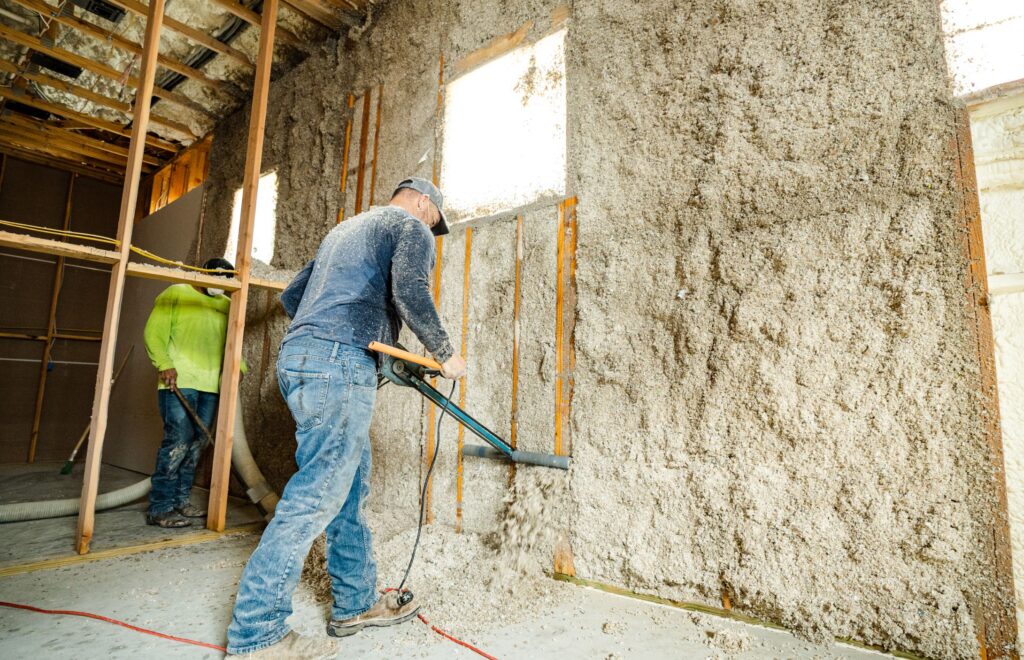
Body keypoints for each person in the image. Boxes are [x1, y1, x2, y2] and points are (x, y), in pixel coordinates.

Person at [225, 178, 466, 658]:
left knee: (348, 489)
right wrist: (445, 353)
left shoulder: (345, 230)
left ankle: (354, 604)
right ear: (422, 203)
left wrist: (340, 327)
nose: (430, 227)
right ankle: (256, 634)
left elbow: (293, 298)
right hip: (339, 362)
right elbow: (410, 290)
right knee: (315, 497)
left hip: (304, 358)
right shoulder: (408, 227)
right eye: (433, 218)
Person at [142, 257, 244, 529]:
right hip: (179, 381)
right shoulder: (176, 292)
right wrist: (164, 363)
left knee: (197, 445)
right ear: (203, 275)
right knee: (178, 442)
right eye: (217, 279)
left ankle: (180, 500)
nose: (221, 286)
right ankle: (160, 507)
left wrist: (239, 367)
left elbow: (233, 342)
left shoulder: (227, 305)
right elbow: (154, 332)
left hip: (210, 385)